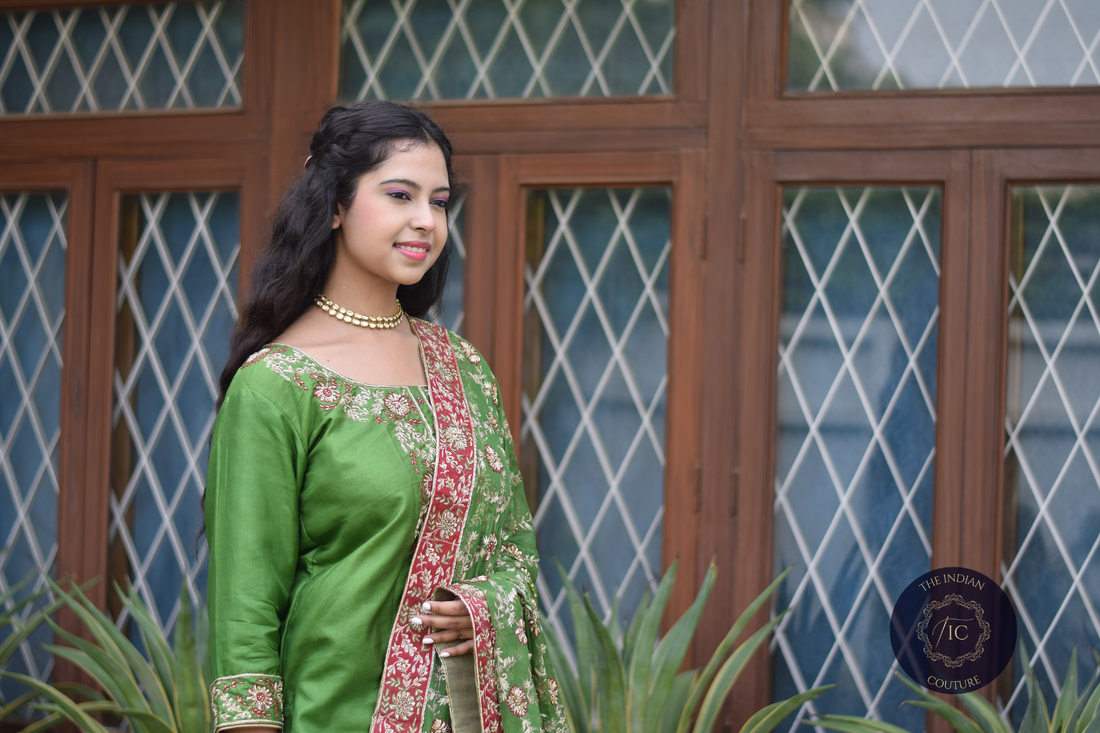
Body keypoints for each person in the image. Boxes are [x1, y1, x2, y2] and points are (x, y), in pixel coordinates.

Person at [205, 101, 567, 733]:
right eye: (400, 195)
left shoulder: (462, 367)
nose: (425, 221)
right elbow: (245, 614)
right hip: (333, 713)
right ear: (336, 205)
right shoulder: (275, 385)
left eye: (441, 201)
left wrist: (478, 607)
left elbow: (514, 547)